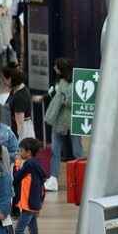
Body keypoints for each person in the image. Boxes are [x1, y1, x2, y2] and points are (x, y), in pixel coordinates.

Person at [42, 58, 83, 192]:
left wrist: (64, 99)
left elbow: (74, 101)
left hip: (72, 121)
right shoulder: (58, 82)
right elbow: (52, 95)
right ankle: (53, 179)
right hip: (58, 121)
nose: (54, 68)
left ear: (60, 69)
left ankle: (83, 177)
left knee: (77, 151)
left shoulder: (74, 83)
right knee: (55, 150)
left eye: (56, 66)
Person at [12, 137, 47, 234]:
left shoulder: (28, 164)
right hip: (34, 203)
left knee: (19, 231)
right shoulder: (36, 164)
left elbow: (16, 179)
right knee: (33, 230)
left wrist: (17, 166)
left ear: (28, 152)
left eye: (21, 150)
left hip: (28, 205)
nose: (19, 152)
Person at [2, 64, 32, 139]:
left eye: (4, 79)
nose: (3, 82)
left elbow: (20, 125)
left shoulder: (20, 96)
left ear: (10, 79)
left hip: (21, 133)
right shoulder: (15, 90)